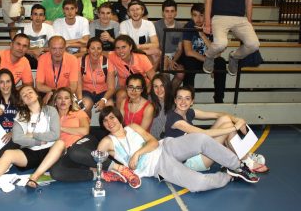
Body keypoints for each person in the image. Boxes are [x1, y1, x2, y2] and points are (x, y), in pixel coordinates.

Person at [97, 106, 259, 192]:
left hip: (165, 146)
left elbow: (153, 142)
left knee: (201, 139)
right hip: (159, 167)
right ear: (103, 125)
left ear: (118, 117)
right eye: (105, 121)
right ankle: (229, 176)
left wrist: (137, 154)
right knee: (198, 184)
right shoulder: (107, 141)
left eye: (112, 117)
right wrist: (116, 169)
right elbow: (96, 161)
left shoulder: (132, 127)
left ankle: (238, 166)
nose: (110, 122)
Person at [0, 85, 60, 192]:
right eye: (24, 95)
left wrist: (33, 134)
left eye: (30, 92)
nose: (28, 95)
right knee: (8, 153)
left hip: (50, 152)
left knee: (60, 143)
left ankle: (34, 178)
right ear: (23, 102)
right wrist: (38, 141)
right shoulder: (21, 115)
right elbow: (17, 138)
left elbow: (55, 134)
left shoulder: (50, 110)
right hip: (31, 152)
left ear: (37, 95)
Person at [165, 86, 269, 173]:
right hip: (191, 162)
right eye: (179, 98)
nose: (183, 101)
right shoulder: (173, 118)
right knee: (227, 128)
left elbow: (218, 114)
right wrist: (235, 127)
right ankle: (246, 159)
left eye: (187, 98)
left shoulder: (189, 112)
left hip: (198, 151)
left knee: (225, 119)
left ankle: (241, 155)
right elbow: (203, 133)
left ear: (192, 101)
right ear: (175, 100)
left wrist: (237, 119)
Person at [27, 87, 90, 187]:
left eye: (66, 98)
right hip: (62, 153)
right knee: (55, 173)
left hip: (79, 150)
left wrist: (61, 128)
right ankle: (94, 174)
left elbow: (85, 131)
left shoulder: (79, 113)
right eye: (59, 98)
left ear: (70, 102)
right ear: (55, 101)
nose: (63, 101)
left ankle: (34, 177)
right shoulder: (50, 117)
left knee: (63, 145)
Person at [183, 3, 227, 103]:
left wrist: (202, 35)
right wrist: (207, 61)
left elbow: (217, 53)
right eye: (195, 15)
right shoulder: (188, 26)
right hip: (197, 59)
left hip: (209, 58)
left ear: (206, 15)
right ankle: (187, 99)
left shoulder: (213, 27)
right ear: (191, 16)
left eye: (201, 15)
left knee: (221, 63)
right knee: (188, 62)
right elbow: (188, 51)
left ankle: (219, 99)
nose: (198, 18)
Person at [108, 35, 155, 108]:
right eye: (117, 48)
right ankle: (120, 118)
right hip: (125, 87)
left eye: (124, 47)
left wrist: (146, 92)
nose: (120, 51)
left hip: (142, 88)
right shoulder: (113, 56)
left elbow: (154, 78)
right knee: (121, 95)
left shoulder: (142, 58)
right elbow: (99, 53)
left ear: (130, 47)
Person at [76, 37, 116, 118]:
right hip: (86, 91)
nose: (96, 51)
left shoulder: (107, 63)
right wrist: (79, 99)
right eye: (92, 48)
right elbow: (78, 84)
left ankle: (108, 128)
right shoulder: (80, 62)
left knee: (109, 105)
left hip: (104, 92)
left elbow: (111, 88)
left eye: (99, 48)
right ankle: (87, 127)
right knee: (84, 106)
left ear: (102, 50)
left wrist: (104, 100)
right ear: (88, 50)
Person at [36, 36, 79, 104]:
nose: (57, 52)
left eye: (61, 48)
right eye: (54, 48)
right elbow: (39, 86)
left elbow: (73, 88)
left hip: (67, 93)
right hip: (47, 91)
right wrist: (52, 91)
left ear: (65, 48)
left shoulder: (73, 59)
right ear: (49, 49)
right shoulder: (42, 59)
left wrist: (54, 93)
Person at [120, 0, 161, 69]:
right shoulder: (124, 24)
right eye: (132, 10)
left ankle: (150, 78)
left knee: (157, 52)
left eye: (137, 9)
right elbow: (124, 45)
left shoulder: (149, 24)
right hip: (129, 53)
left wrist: (139, 47)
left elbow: (156, 44)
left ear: (142, 11)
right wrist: (142, 49)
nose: (135, 12)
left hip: (141, 51)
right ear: (128, 13)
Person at [154, 0, 184, 88]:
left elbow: (180, 49)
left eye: (172, 11)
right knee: (165, 65)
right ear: (163, 13)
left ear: (176, 13)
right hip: (160, 56)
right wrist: (167, 58)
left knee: (181, 73)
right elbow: (157, 46)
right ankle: (165, 94)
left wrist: (173, 60)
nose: (169, 14)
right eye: (167, 11)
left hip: (174, 57)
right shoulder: (156, 25)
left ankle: (170, 94)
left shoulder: (180, 26)